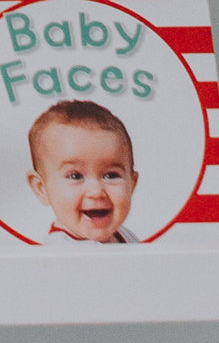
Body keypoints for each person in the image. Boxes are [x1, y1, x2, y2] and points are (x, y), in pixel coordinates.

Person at [26, 101, 140, 244]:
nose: (96, 192)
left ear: (132, 183)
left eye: (111, 175)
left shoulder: (126, 237)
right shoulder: (59, 253)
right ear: (42, 189)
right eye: (75, 176)